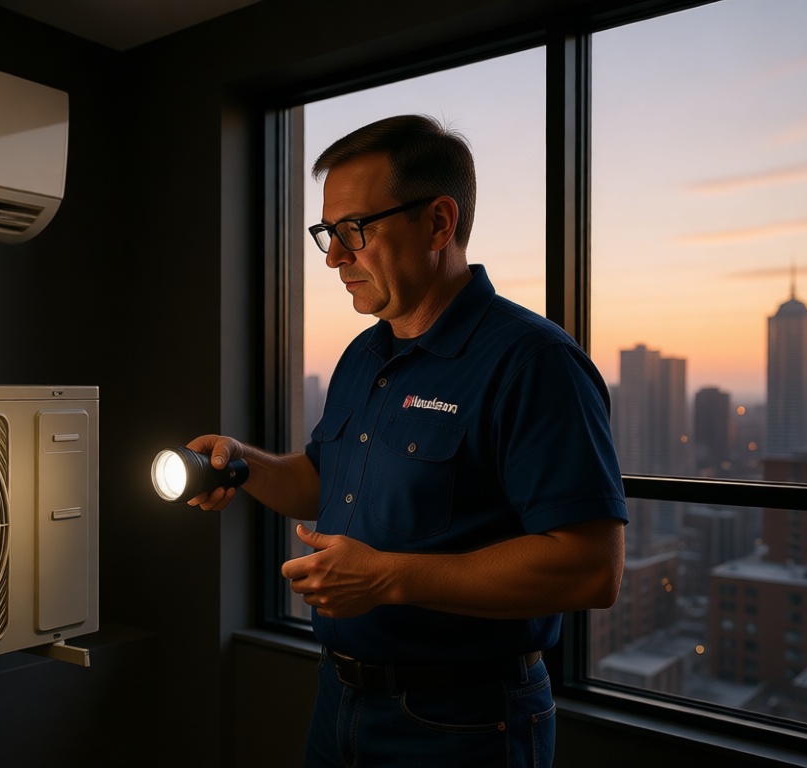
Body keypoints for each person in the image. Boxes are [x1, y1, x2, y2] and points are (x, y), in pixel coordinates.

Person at [185, 115, 627, 767]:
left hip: (464, 723)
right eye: (327, 234)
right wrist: (243, 464)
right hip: (337, 697)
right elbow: (319, 476)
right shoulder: (364, 356)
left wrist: (389, 579)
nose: (335, 257)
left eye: (353, 231)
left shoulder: (533, 362)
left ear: (438, 224)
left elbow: (592, 566)